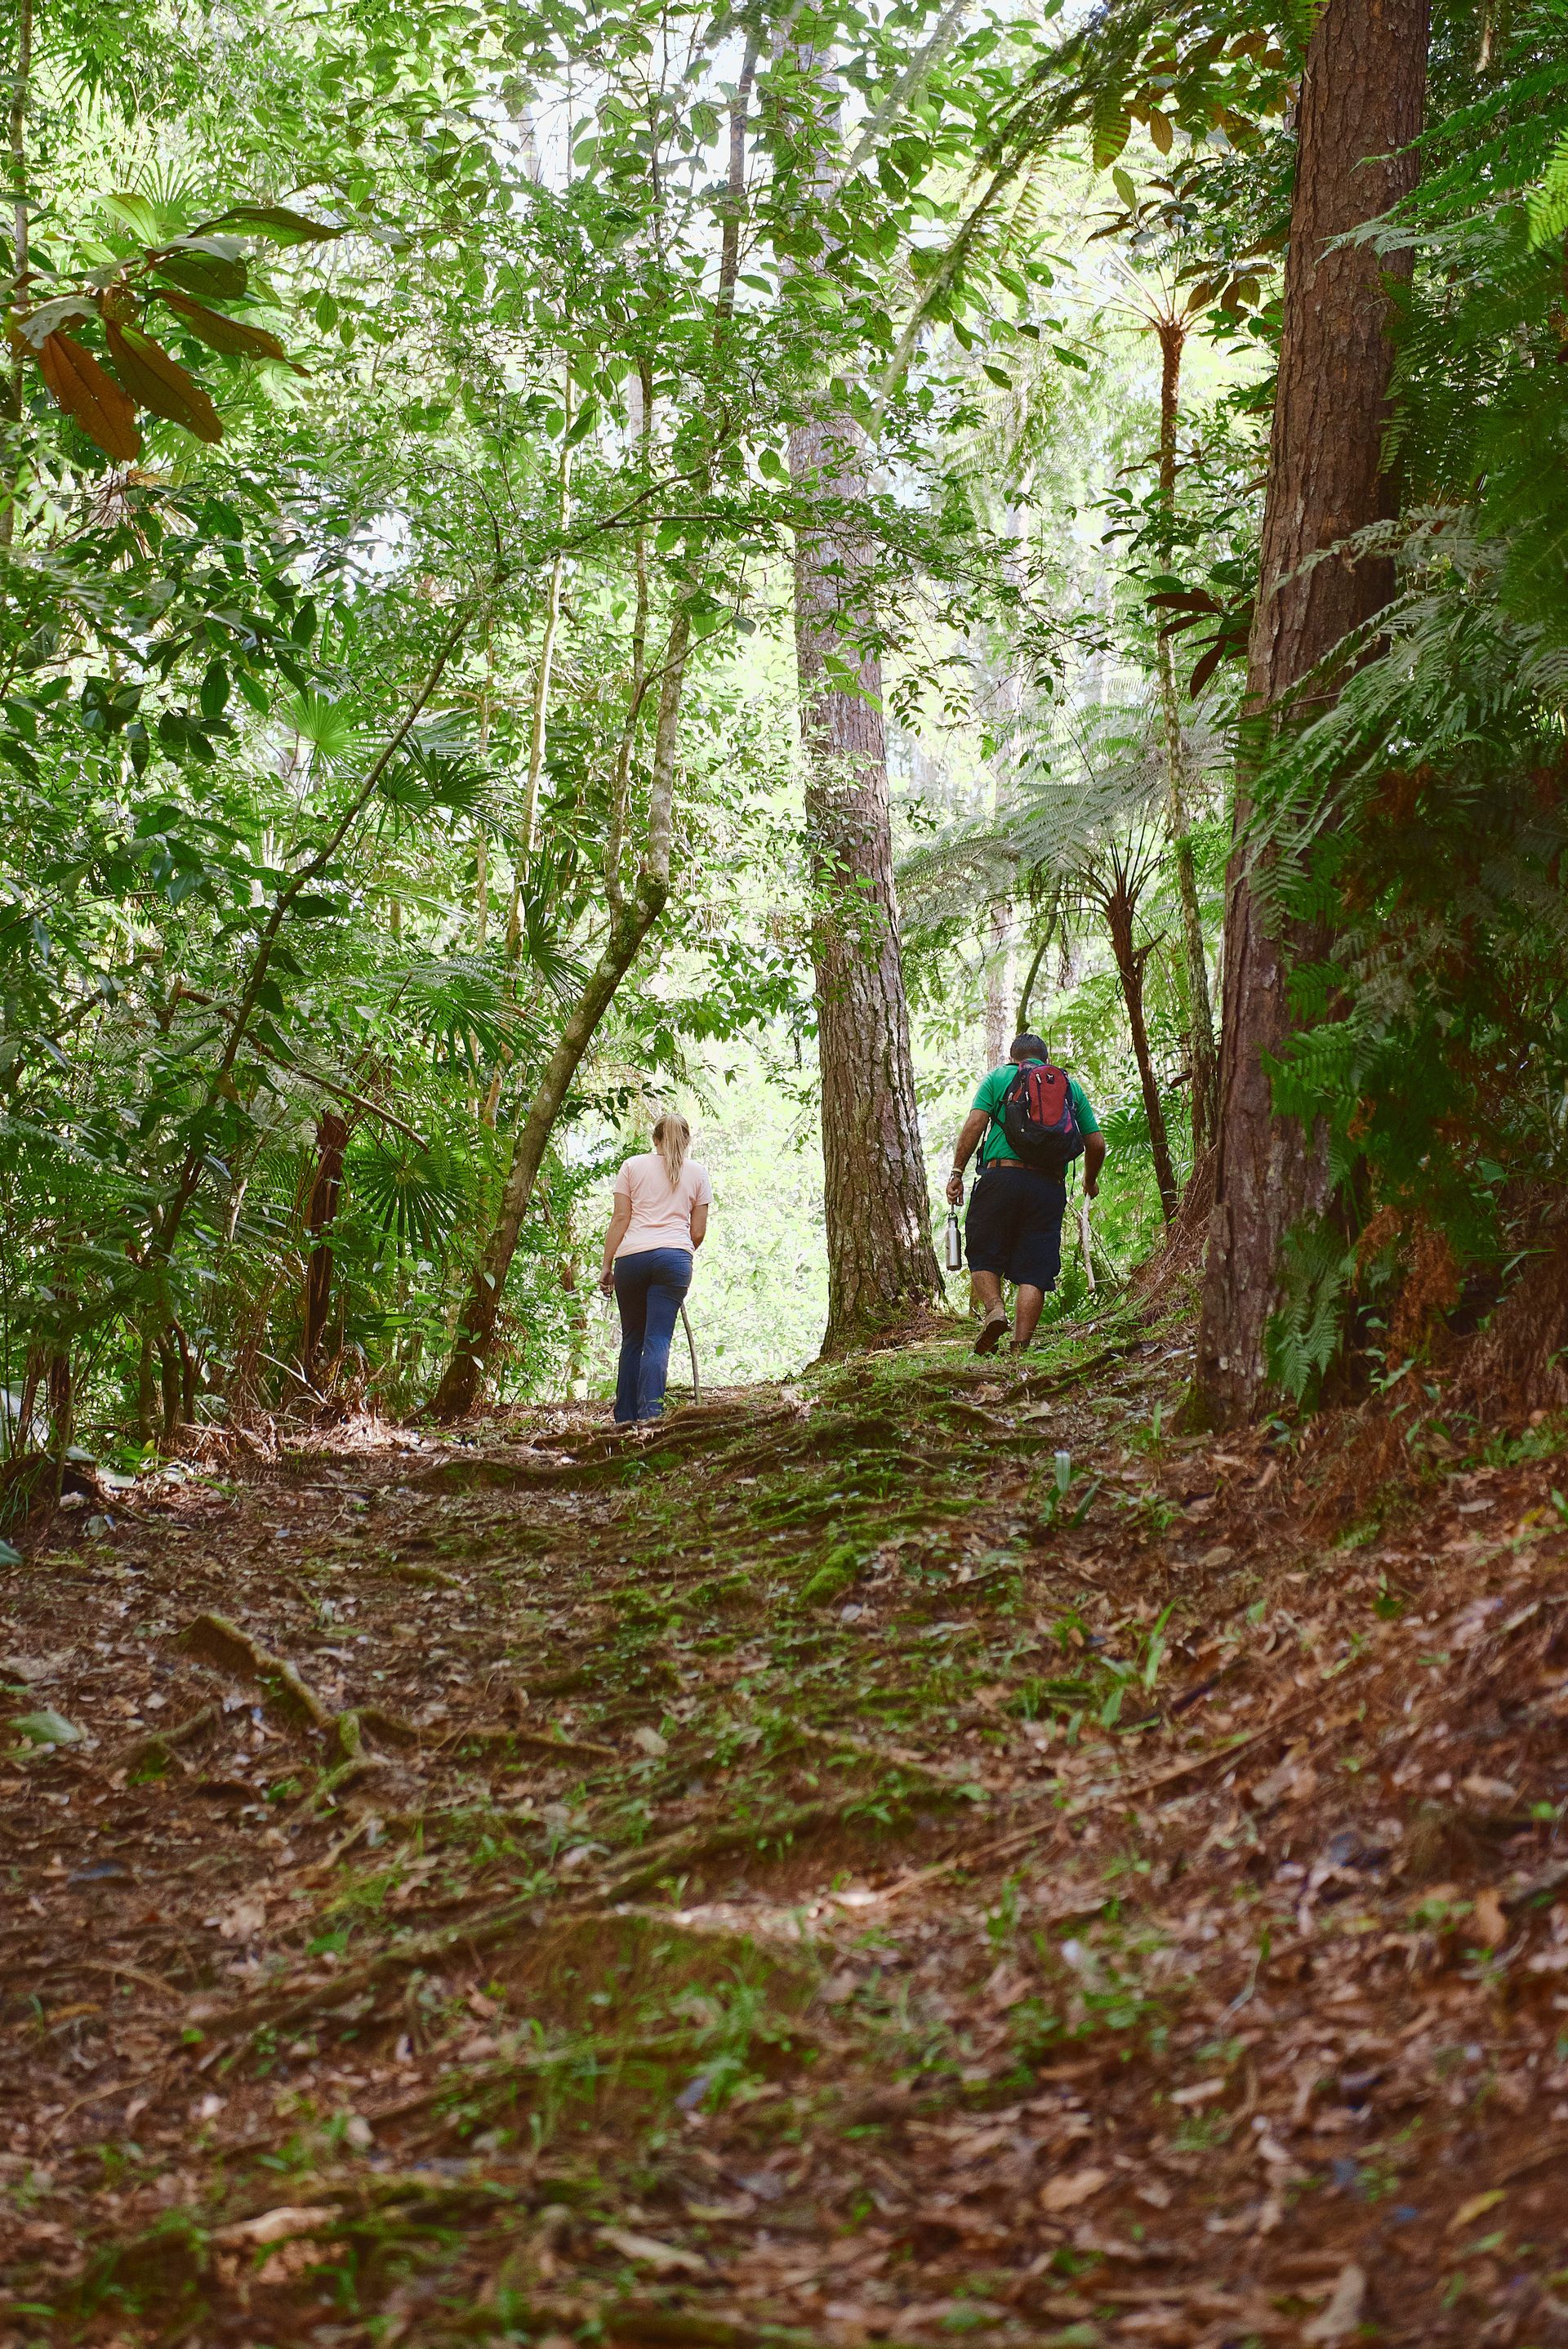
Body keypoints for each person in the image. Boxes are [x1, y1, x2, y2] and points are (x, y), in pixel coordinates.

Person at [945, 1032, 1106, 1356]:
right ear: (1045, 1059)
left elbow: (975, 1125)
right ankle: (1020, 1348)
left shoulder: (1000, 1077)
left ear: (1013, 1057)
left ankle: (994, 1310)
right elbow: (1097, 1144)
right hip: (1048, 1187)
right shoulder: (1069, 1087)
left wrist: (957, 1172)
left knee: (982, 1252)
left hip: (1000, 1177)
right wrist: (1089, 1181)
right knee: (1035, 1268)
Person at [598, 1113, 711, 1424]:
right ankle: (651, 1416)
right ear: (686, 1141)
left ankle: (624, 1418)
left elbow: (620, 1219)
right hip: (674, 1259)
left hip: (632, 1259)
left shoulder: (632, 1166)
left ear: (655, 1139)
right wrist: (679, 1253)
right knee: (658, 1339)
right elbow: (698, 1232)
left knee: (633, 1338)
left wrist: (607, 1265)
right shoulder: (698, 1173)